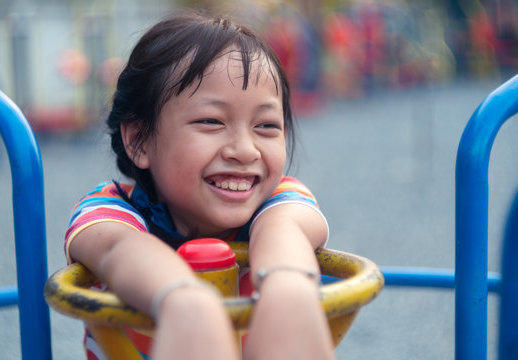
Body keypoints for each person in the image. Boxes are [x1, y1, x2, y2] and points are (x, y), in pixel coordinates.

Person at [65, 10, 333, 360]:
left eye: (266, 126)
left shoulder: (280, 199)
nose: (244, 150)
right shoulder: (110, 209)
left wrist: (288, 286)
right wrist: (183, 300)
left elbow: (284, 229)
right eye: (211, 121)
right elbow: (118, 249)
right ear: (140, 140)